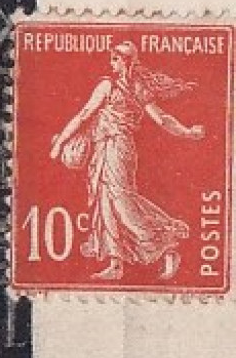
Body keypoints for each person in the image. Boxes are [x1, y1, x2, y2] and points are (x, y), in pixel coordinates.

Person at [50, 41, 205, 281]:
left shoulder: (133, 87)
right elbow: (83, 116)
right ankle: (116, 263)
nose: (112, 63)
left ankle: (166, 245)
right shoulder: (108, 85)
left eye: (116, 58)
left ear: (127, 62)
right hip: (102, 149)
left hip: (119, 148)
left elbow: (161, 118)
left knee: (122, 202)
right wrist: (61, 141)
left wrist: (187, 132)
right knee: (105, 203)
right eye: (111, 58)